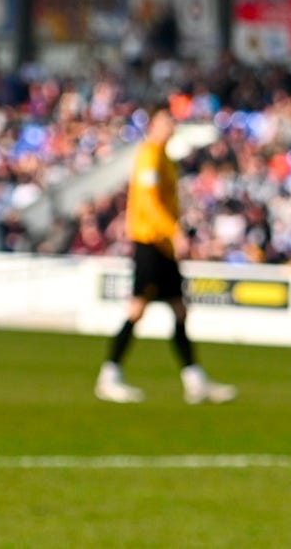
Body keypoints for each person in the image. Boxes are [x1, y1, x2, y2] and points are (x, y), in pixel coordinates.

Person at [95, 105, 236, 405]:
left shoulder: (166, 158)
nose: (171, 124)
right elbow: (149, 203)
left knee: (180, 309)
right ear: (153, 124)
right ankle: (109, 376)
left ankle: (195, 380)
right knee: (137, 309)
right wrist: (175, 231)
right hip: (150, 242)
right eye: (166, 120)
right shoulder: (149, 155)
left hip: (164, 246)